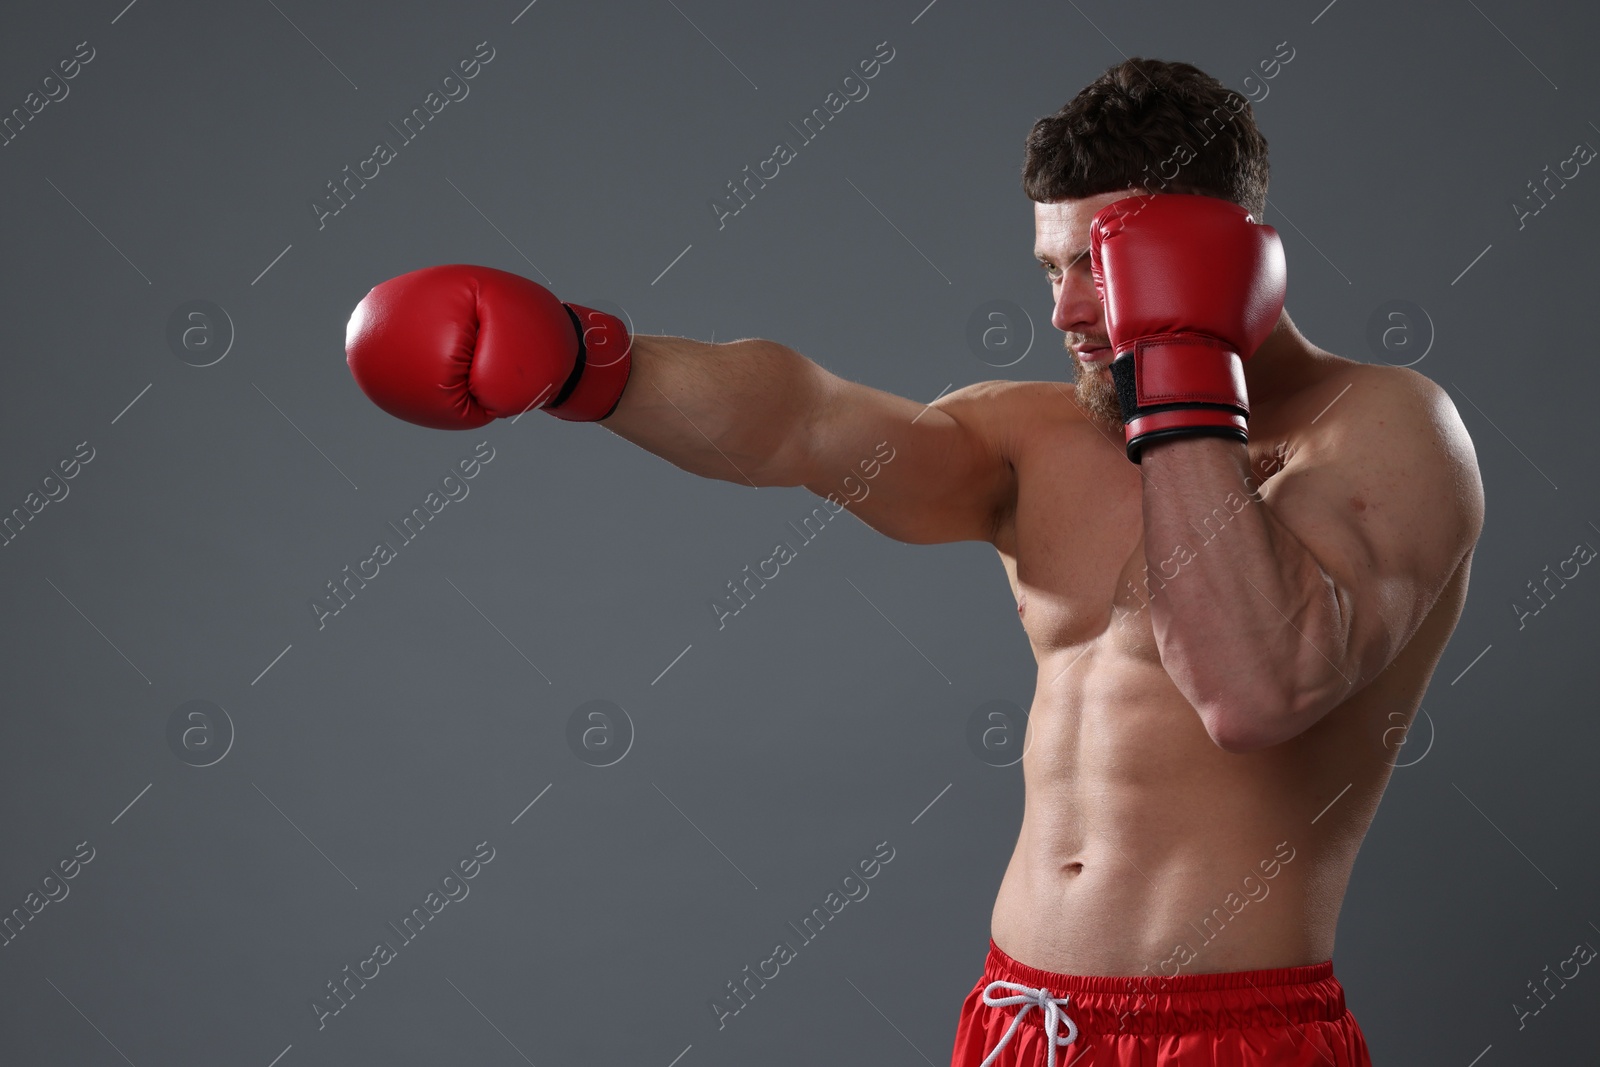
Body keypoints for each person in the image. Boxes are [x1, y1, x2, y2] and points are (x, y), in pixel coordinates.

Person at [343, 57, 1484, 1067]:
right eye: (1050, 269)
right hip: (1014, 1015)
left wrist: (1181, 356)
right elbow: (804, 422)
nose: (1069, 313)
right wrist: (587, 364)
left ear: (1230, 261)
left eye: (1104, 270)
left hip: (1230, 1033)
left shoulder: (1384, 427)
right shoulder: (1034, 436)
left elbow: (1254, 688)